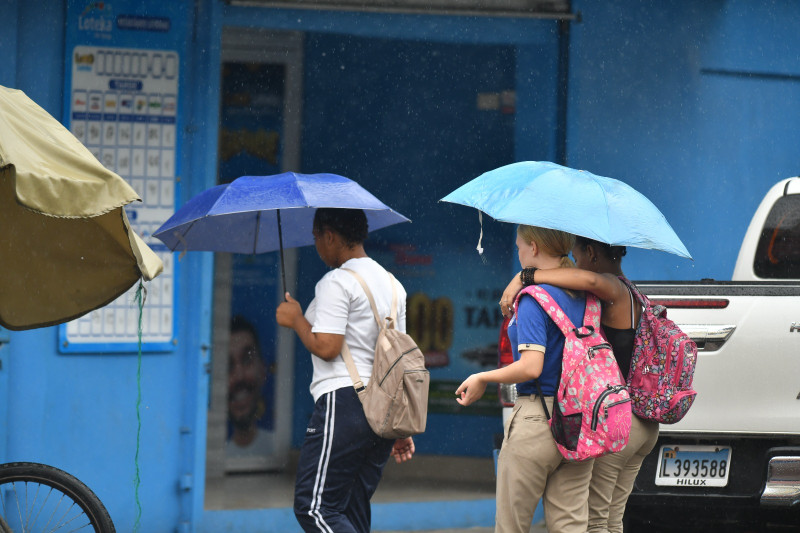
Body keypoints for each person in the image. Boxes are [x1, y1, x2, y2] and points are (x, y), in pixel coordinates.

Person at [500, 236, 660, 533]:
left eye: (576, 256)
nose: (574, 264)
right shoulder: (632, 292)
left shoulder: (609, 285)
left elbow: (589, 279)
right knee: (610, 521)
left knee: (595, 523)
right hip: (640, 418)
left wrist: (525, 276)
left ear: (591, 253)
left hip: (613, 416)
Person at [276, 207, 415, 533]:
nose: (316, 245)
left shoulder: (336, 282)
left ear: (330, 236)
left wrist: (296, 319)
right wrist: (399, 426)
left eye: (316, 237)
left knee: (314, 507)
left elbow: (327, 347)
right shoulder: (394, 285)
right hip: (382, 408)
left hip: (345, 404)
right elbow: (398, 359)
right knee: (351, 507)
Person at [456, 225, 593, 533]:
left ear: (534, 247)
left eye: (519, 247)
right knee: (571, 527)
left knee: (512, 527)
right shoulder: (584, 295)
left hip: (537, 420)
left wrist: (482, 376)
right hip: (579, 420)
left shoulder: (533, 299)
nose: (518, 254)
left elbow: (531, 367)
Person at [226, 315, 273, 458]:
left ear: (262, 370)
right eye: (228, 365)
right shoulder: (213, 457)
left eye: (247, 360)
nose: (239, 376)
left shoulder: (277, 450)